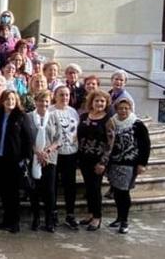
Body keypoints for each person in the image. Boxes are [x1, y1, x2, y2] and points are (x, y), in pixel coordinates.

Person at [107, 98, 151, 234]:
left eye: (126, 108)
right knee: (116, 192)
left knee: (123, 192)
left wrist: (142, 163)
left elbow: (145, 145)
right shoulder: (112, 122)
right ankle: (119, 218)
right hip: (114, 163)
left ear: (130, 109)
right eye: (120, 108)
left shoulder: (137, 124)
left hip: (129, 164)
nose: (123, 111)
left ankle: (124, 220)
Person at [0, 90, 32, 233]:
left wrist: (25, 158)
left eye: (13, 99)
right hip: (0, 158)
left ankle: (14, 221)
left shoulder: (21, 116)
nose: (10, 102)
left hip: (15, 160)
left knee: (13, 192)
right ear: (2, 101)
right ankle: (6, 219)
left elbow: (28, 139)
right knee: (4, 191)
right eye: (7, 99)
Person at [77, 90, 114, 231]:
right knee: (88, 187)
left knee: (95, 188)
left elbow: (110, 143)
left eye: (102, 101)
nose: (99, 103)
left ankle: (97, 217)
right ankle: (91, 214)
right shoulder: (84, 116)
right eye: (97, 100)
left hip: (98, 160)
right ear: (91, 102)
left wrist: (103, 162)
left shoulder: (108, 120)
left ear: (106, 103)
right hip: (84, 157)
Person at [47, 85, 81, 229]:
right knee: (53, 185)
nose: (64, 97)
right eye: (61, 94)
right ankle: (52, 214)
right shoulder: (50, 111)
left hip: (71, 153)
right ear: (55, 96)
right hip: (55, 154)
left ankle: (70, 214)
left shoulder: (73, 112)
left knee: (70, 185)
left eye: (67, 95)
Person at [27, 90, 60, 233]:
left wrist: (46, 152)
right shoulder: (28, 117)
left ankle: (49, 219)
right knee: (34, 190)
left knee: (49, 191)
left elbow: (58, 139)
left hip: (49, 158)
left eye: (46, 101)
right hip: (33, 158)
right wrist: (37, 152)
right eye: (41, 100)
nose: (44, 104)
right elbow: (26, 138)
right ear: (36, 102)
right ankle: (36, 218)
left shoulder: (54, 117)